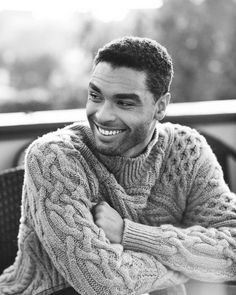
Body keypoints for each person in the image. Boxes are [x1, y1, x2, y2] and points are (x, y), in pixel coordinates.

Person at [0, 36, 236, 295]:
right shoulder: (54, 157)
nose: (102, 115)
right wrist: (190, 264)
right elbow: (104, 284)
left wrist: (131, 233)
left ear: (160, 106)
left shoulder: (186, 150)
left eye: (124, 102)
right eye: (95, 96)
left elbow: (232, 249)